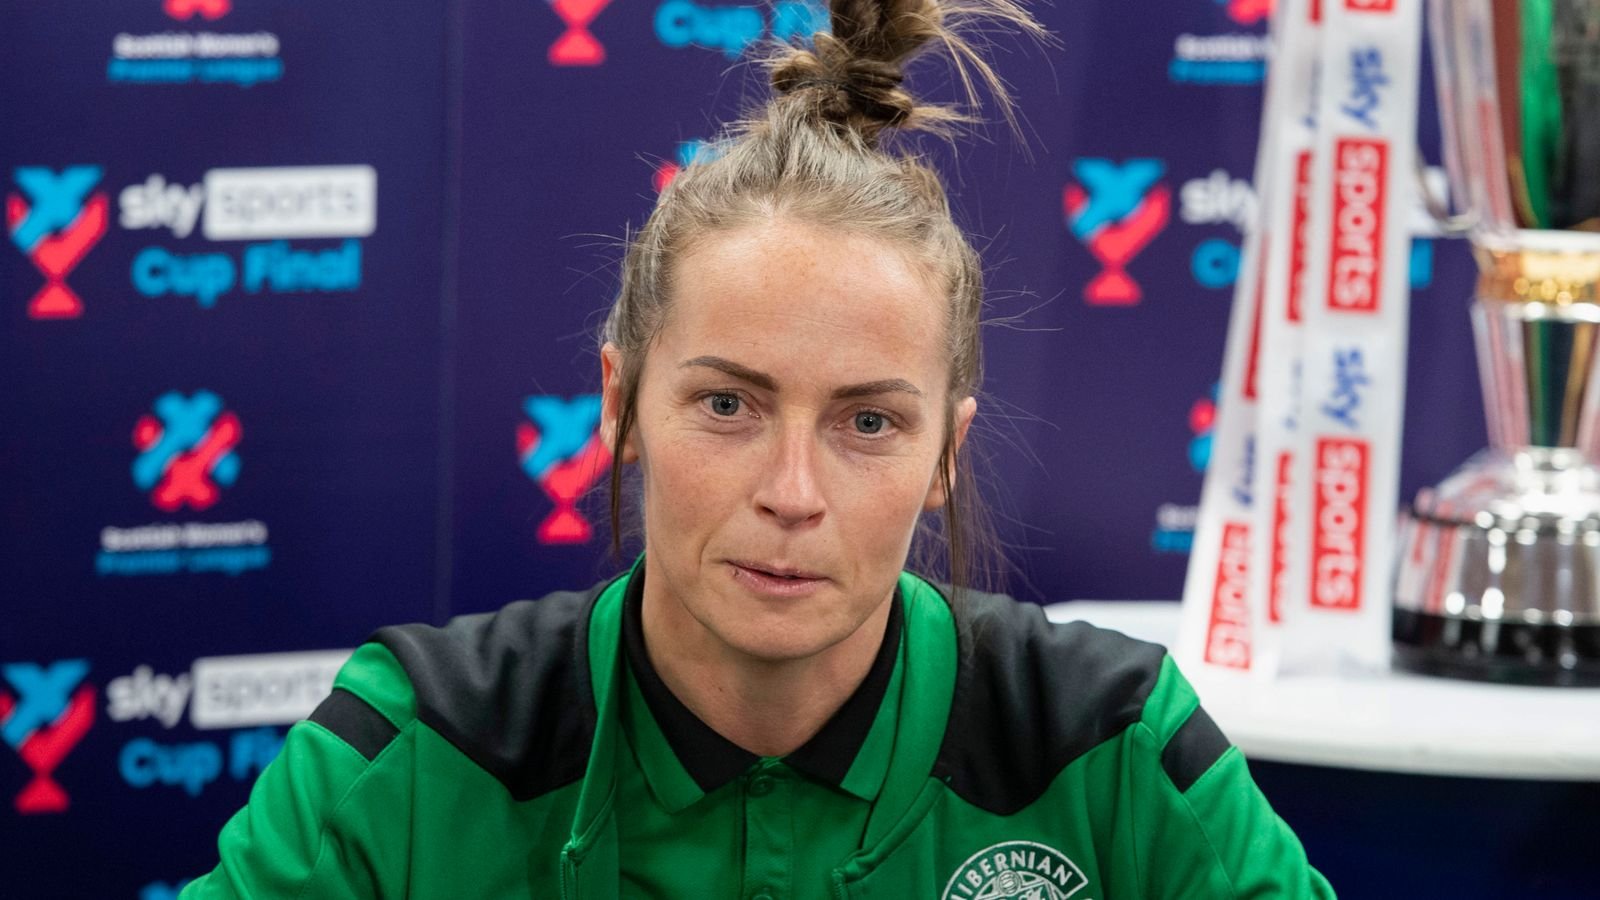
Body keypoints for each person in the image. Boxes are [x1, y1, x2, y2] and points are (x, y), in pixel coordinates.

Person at [182, 0, 1334, 896]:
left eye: (868, 424)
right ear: (620, 405)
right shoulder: (412, 752)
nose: (792, 494)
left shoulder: (1111, 745)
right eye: (728, 406)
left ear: (947, 451)